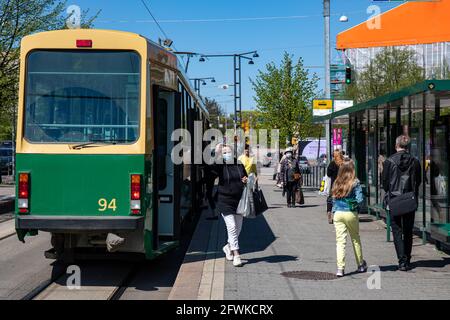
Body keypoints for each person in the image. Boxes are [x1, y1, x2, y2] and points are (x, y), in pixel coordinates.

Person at [382, 135, 421, 271]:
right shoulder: (415, 161)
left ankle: (402, 261)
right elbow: (418, 181)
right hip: (409, 199)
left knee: (397, 230)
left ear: (396, 145)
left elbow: (385, 183)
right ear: (408, 146)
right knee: (408, 230)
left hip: (394, 199)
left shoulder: (389, 161)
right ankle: (408, 259)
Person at [209, 144, 248, 267]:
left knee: (238, 229)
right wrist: (216, 153)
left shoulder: (239, 164)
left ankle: (228, 247)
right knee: (231, 227)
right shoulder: (220, 165)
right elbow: (211, 170)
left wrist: (246, 180)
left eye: (228, 152)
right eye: (224, 152)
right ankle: (236, 254)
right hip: (225, 200)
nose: (227, 154)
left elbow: (245, 176)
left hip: (239, 201)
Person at [331, 159, 367, 277]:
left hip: (338, 213)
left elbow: (333, 198)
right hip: (350, 213)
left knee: (340, 242)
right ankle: (360, 264)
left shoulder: (337, 181)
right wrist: (356, 205)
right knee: (355, 239)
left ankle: (340, 269)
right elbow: (360, 199)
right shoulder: (355, 182)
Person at [326, 149, 345, 224]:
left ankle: (329, 212)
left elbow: (328, 174)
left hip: (334, 184)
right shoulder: (344, 163)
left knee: (330, 199)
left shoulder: (332, 164)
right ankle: (336, 215)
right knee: (340, 199)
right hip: (342, 185)